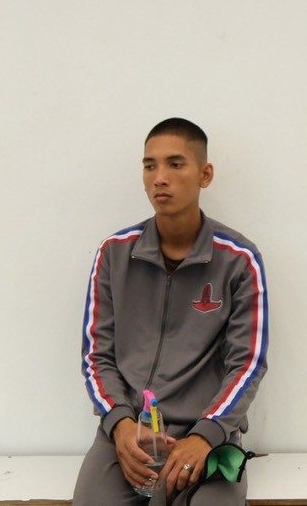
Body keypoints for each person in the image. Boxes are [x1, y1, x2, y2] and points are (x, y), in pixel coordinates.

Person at [74, 118, 269, 506]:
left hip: (209, 434)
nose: (159, 178)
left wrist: (207, 433)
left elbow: (247, 364)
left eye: (175, 164)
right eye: (150, 166)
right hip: (130, 432)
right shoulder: (114, 254)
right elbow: (96, 356)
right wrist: (121, 426)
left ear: (205, 175)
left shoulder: (239, 259)